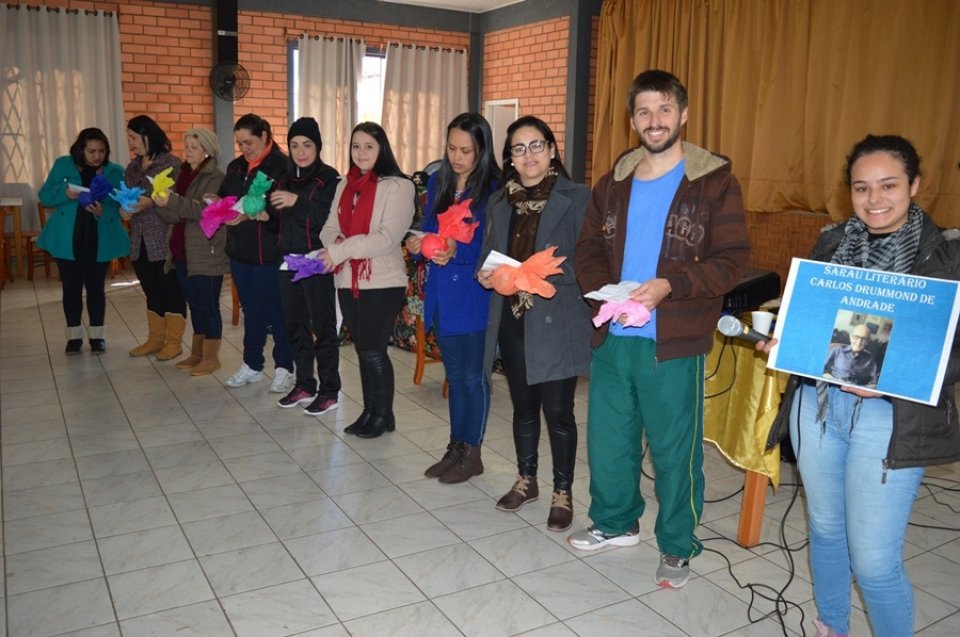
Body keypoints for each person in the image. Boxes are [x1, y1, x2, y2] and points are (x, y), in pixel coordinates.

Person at [762, 134, 960, 637]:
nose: (875, 200)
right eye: (862, 188)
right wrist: (787, 341)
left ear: (915, 185)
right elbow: (815, 320)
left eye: (889, 185)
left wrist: (894, 380)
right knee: (826, 530)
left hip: (890, 416)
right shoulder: (831, 242)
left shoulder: (946, 254)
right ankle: (832, 626)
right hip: (819, 404)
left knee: (873, 560)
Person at [570, 70, 750, 588]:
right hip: (612, 337)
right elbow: (588, 249)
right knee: (609, 441)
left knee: (674, 450)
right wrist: (606, 290)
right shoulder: (614, 181)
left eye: (664, 110)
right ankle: (614, 522)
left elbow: (732, 260)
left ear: (683, 114)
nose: (655, 121)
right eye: (645, 112)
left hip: (672, 342)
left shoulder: (714, 182)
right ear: (633, 120)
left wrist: (669, 285)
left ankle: (677, 545)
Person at [477, 116, 592, 532]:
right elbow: (490, 253)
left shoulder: (578, 197)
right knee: (523, 406)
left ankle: (563, 491)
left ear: (552, 149)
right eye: (518, 149)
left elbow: (590, 261)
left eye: (536, 145)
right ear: (509, 158)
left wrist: (543, 273)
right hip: (512, 316)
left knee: (558, 411)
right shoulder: (499, 202)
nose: (529, 155)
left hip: (556, 316)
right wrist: (485, 274)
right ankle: (527, 479)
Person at [405, 112, 500, 483]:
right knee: (455, 376)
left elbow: (487, 246)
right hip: (442, 293)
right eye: (452, 148)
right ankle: (456, 446)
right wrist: (418, 244)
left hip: (473, 293)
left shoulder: (493, 190)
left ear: (482, 151)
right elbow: (428, 230)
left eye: (467, 151)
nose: (458, 157)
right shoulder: (438, 180)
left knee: (474, 378)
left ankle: (472, 451)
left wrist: (453, 250)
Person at [318, 122, 415, 439]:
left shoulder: (398, 186)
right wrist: (339, 244)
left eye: (368, 146)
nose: (361, 153)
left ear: (381, 148)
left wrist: (343, 247)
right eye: (355, 146)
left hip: (382, 280)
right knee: (364, 349)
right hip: (347, 278)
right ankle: (372, 411)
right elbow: (328, 228)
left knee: (373, 349)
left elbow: (387, 238)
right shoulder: (344, 184)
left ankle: (383, 414)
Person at [216, 113, 294, 394]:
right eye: (240, 143)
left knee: (278, 313)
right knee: (252, 312)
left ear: (265, 136)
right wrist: (218, 205)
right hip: (241, 252)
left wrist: (260, 216)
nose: (244, 149)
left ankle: (285, 368)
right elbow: (227, 197)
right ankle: (252, 364)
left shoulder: (282, 167)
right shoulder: (237, 167)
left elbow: (286, 212)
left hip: (271, 253)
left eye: (249, 142)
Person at [269, 117, 342, 415]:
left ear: (318, 146)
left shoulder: (329, 178)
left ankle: (329, 390)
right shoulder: (284, 178)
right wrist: (262, 215)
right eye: (295, 145)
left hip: (316, 259)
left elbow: (327, 217)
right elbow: (277, 220)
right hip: (288, 259)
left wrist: (296, 201)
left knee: (322, 327)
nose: (301, 152)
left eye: (307, 145)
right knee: (294, 325)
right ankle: (304, 383)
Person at [37, 128, 129, 354]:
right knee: (71, 289)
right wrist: (64, 193)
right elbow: (45, 196)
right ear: (81, 149)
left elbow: (120, 207)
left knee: (96, 289)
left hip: (99, 240)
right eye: (91, 151)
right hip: (67, 239)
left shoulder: (115, 171)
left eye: (101, 151)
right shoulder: (63, 165)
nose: (97, 156)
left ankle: (97, 337)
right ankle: (74, 337)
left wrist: (102, 212)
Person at [154, 128, 227, 376]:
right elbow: (176, 214)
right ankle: (197, 354)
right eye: (186, 147)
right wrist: (160, 202)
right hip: (182, 251)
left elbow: (204, 212)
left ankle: (211, 357)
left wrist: (172, 201)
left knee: (208, 306)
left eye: (194, 147)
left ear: (207, 150)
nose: (188, 152)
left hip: (206, 252)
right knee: (195, 305)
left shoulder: (215, 177)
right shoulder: (184, 174)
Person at [122, 115, 185, 360]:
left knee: (171, 289)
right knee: (151, 290)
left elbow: (174, 199)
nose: (131, 143)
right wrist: (123, 209)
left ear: (147, 135)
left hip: (164, 238)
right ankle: (155, 338)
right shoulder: (133, 167)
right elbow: (128, 196)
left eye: (134, 138)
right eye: (129, 138)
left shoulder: (170, 163)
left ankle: (174, 342)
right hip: (139, 240)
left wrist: (149, 202)